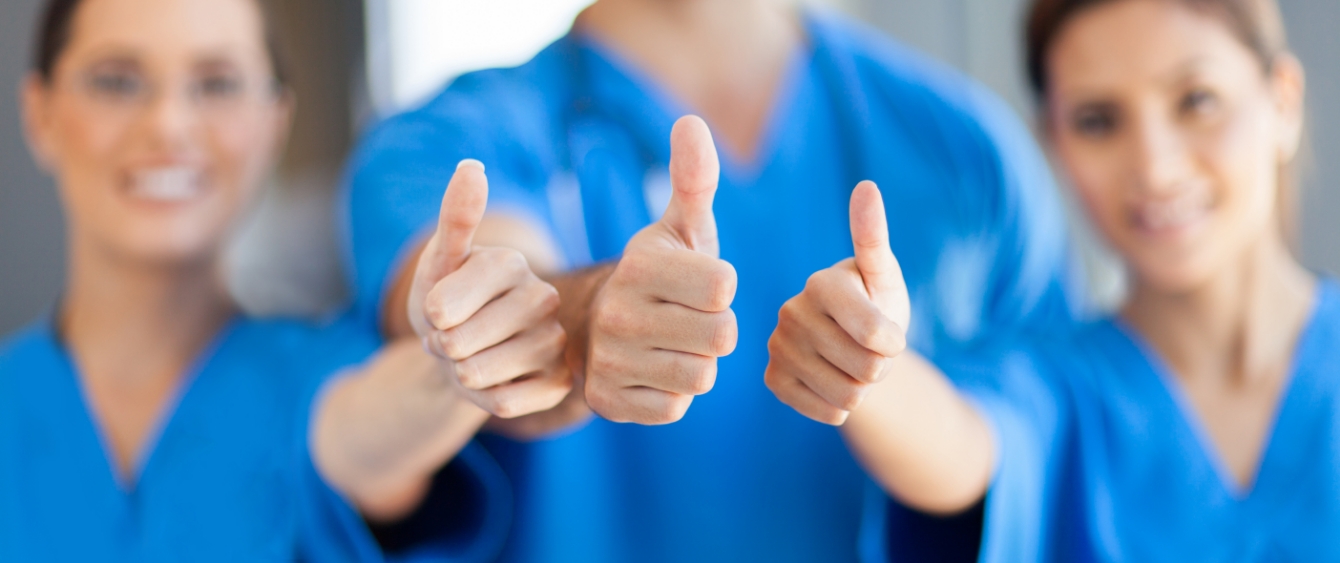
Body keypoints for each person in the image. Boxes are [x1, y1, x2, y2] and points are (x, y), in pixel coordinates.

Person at [343, 0, 1084, 560]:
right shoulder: (439, 145)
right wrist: (579, 316)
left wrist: (879, 376)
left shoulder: (968, 156)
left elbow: (1038, 457)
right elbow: (490, 284)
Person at [0, 0, 570, 560]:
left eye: (218, 83)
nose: (167, 125)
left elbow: (362, 432)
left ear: (275, 122)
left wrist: (459, 357)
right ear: (40, 114)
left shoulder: (326, 371)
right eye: (117, 82)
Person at [765, 0, 1335, 560]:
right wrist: (868, 362)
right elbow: (965, 444)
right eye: (1098, 121)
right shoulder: (1052, 391)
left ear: (1283, 100)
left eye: (1197, 101)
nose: (1155, 166)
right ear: (1052, 143)